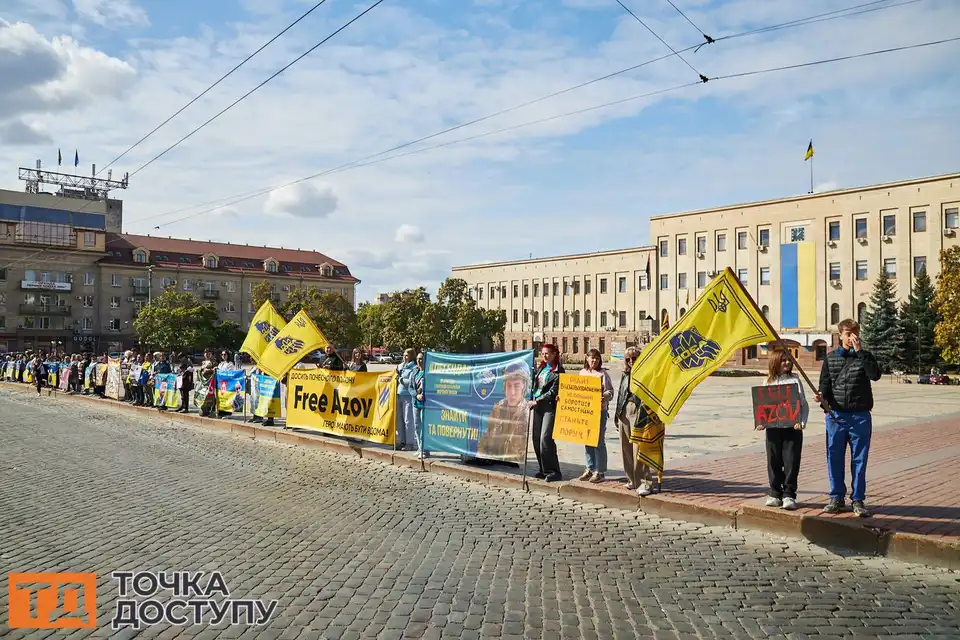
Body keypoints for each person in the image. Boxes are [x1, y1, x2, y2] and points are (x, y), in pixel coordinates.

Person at [815, 319, 881, 518]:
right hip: (836, 416)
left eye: (855, 333)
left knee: (859, 459)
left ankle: (858, 499)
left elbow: (875, 375)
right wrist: (821, 398)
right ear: (840, 335)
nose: (852, 337)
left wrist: (860, 352)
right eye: (848, 333)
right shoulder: (831, 358)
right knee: (834, 457)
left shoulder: (865, 356)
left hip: (859, 416)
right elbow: (825, 385)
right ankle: (836, 497)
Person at [757, 350, 808, 511]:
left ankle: (789, 495)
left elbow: (802, 403)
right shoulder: (768, 381)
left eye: (788, 360)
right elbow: (762, 405)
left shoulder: (795, 380)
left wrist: (801, 422)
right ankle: (775, 493)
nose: (787, 363)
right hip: (773, 429)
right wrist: (761, 421)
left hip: (792, 428)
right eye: (783, 360)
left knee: (791, 462)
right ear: (775, 362)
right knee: (773, 461)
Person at [476, 360, 530, 462]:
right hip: (495, 461)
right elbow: (486, 437)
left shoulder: (528, 411)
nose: (512, 392)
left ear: (524, 386)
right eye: (509, 386)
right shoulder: (498, 409)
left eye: (517, 386)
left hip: (513, 463)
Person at [529, 343, 565, 482]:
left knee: (546, 438)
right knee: (536, 438)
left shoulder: (558, 371)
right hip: (537, 406)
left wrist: (538, 400)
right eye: (543, 353)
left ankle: (554, 471)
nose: (544, 356)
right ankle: (543, 469)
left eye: (547, 353)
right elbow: (535, 386)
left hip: (549, 407)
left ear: (554, 354)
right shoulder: (541, 368)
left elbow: (553, 391)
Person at [577, 349, 614, 483]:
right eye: (592, 358)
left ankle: (600, 471)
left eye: (597, 358)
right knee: (587, 440)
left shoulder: (603, 374)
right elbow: (575, 390)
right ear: (586, 358)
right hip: (585, 411)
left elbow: (610, 392)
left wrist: (603, 397)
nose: (594, 360)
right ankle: (590, 468)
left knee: (598, 441)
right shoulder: (582, 373)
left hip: (599, 411)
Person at [395, 348, 418, 451]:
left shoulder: (414, 367)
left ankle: (410, 443)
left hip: (408, 395)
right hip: (399, 394)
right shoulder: (400, 366)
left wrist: (400, 379)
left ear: (411, 356)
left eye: (407, 355)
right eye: (404, 355)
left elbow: (411, 382)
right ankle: (401, 441)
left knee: (408, 420)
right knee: (399, 420)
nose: (404, 357)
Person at [411, 352, 430, 459]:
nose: (419, 361)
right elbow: (410, 387)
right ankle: (420, 448)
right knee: (417, 426)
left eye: (421, 359)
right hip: (416, 402)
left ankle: (424, 450)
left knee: (423, 427)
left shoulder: (428, 372)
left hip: (425, 403)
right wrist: (416, 395)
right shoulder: (415, 372)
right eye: (418, 359)